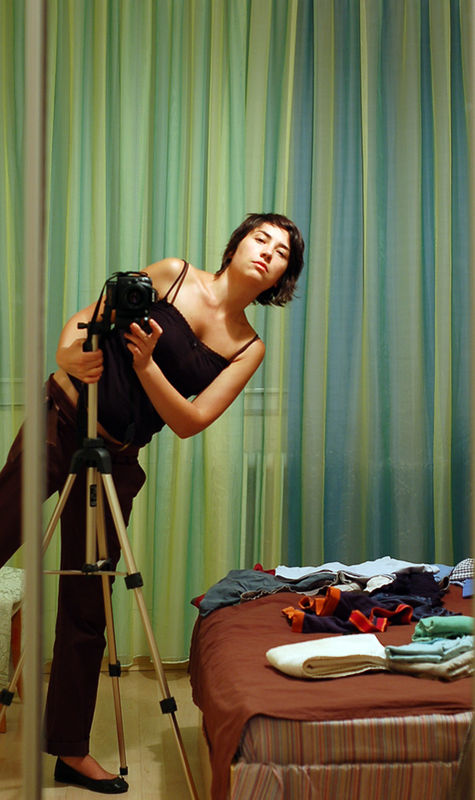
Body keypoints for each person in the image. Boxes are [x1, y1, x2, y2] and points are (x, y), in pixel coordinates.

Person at [0, 212, 304, 793]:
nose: (267, 251)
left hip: (115, 459)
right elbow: (88, 318)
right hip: (59, 420)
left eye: (282, 252)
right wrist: (67, 353)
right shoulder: (172, 274)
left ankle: (69, 751)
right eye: (260, 238)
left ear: (281, 278)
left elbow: (190, 421)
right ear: (236, 245)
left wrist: (145, 365)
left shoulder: (248, 347)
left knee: (88, 604)